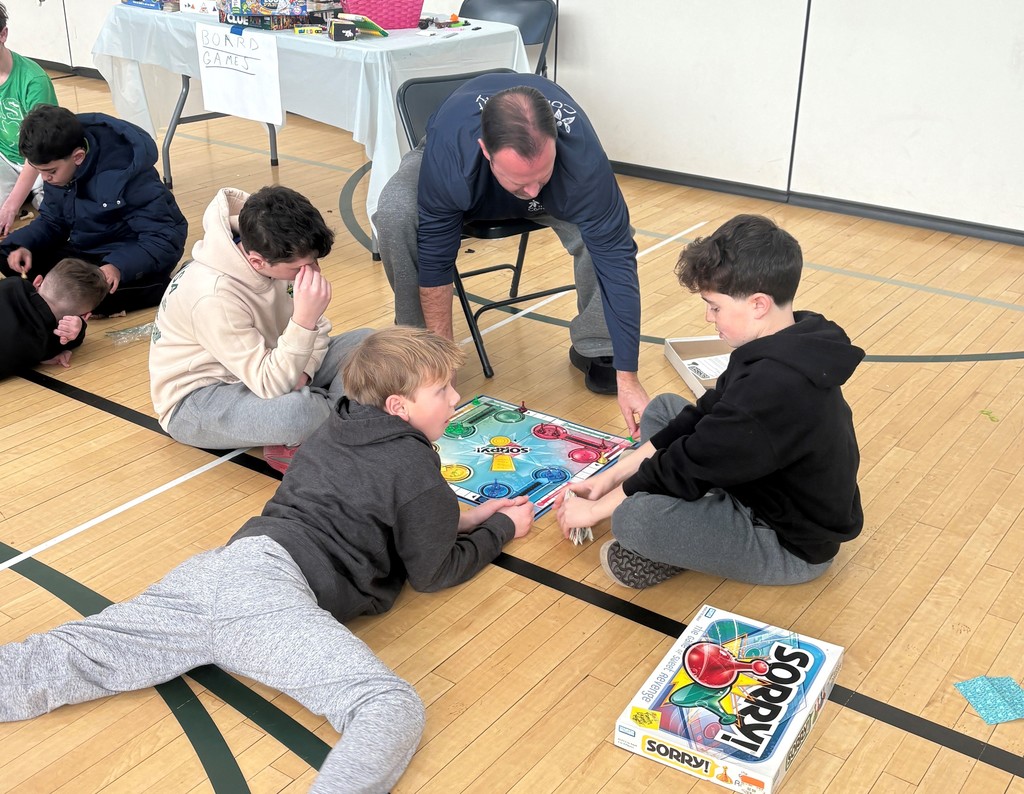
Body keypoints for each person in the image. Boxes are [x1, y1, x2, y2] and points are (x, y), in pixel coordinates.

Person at [0, 326, 533, 792]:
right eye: (441, 389)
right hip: (269, 600)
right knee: (387, 708)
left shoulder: (336, 425)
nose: (456, 397)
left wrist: (462, 516)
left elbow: (379, 507)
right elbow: (435, 571)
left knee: (72, 655)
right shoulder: (417, 471)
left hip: (225, 566)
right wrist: (504, 528)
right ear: (399, 408)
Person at [557, 214, 864, 589]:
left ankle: (679, 545)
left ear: (758, 304)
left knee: (633, 518)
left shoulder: (774, 388)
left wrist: (595, 510)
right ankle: (690, 534)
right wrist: (607, 479)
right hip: (756, 481)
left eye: (715, 306)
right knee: (664, 410)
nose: (708, 316)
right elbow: (701, 418)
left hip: (786, 543)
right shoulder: (788, 337)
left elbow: (687, 464)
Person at [374, 72, 650, 437]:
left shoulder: (580, 157)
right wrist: (443, 364)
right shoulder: (453, 153)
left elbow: (616, 258)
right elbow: (436, 263)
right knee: (396, 211)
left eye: (542, 173)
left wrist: (628, 376)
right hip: (462, 179)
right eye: (522, 182)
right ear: (487, 151)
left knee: (603, 233)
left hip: (551, 188)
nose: (534, 189)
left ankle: (598, 346)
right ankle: (421, 357)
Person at [149, 185, 372, 471]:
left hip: (271, 366)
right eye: (302, 267)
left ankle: (323, 425)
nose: (313, 272)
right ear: (257, 261)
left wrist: (303, 372)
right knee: (298, 412)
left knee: (368, 346)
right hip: (200, 399)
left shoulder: (275, 251)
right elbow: (270, 381)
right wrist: (304, 322)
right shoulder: (212, 296)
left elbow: (317, 333)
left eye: (315, 261)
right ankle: (336, 420)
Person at [0, 104, 187, 315]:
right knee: (8, 254)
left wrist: (117, 266)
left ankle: (163, 287)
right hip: (86, 253)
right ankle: (58, 295)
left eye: (50, 172)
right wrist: (23, 245)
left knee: (94, 298)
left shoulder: (129, 175)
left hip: (130, 257)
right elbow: (53, 222)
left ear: (78, 157)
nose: (45, 179)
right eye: (39, 171)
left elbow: (164, 238)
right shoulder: (60, 167)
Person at [0, 2, 57, 236]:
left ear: (3, 34)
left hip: (43, 162)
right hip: (5, 158)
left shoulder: (34, 81)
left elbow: (41, 151)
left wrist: (11, 206)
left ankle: (30, 195)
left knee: (64, 219)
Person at [0, 256, 109, 378]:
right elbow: (67, 344)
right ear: (85, 315)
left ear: (37, 281)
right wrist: (76, 330)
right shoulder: (44, 344)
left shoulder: (13, 283)